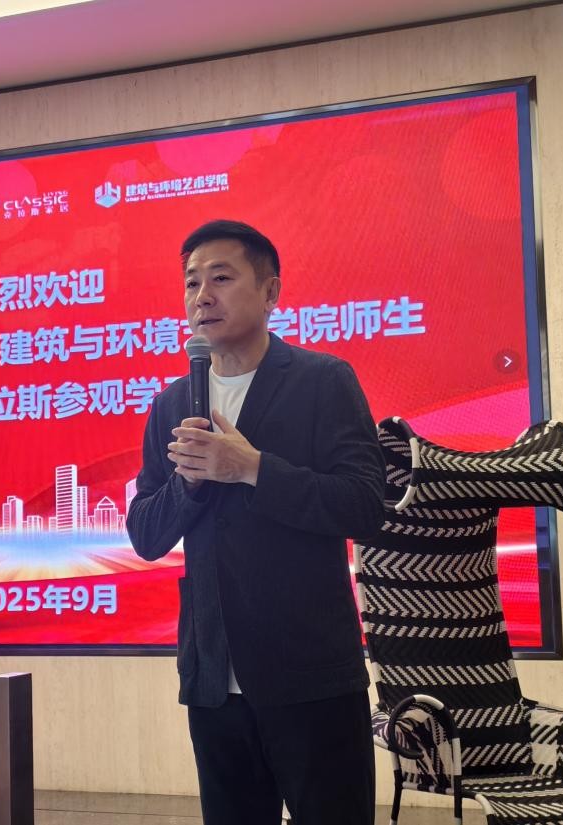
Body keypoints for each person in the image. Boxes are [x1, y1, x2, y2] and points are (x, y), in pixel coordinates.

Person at [126, 220, 385, 825]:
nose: (202, 296)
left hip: (311, 674)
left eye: (221, 278)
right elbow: (146, 534)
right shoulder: (171, 404)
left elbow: (364, 505)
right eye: (192, 282)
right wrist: (190, 484)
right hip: (214, 679)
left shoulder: (323, 380)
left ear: (270, 292)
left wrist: (252, 469)